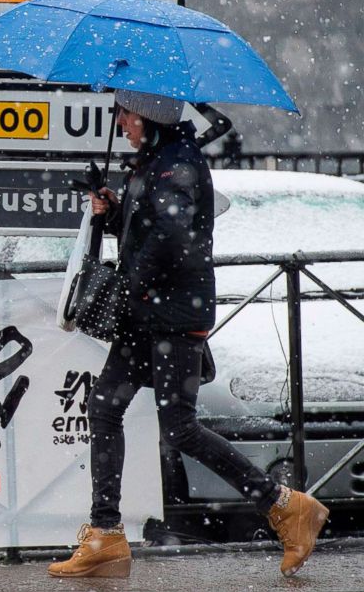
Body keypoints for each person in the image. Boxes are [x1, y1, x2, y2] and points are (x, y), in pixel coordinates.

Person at [47, 89, 329, 579]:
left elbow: (174, 237)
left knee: (178, 427)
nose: (120, 125)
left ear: (149, 116)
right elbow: (152, 230)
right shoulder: (157, 159)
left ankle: (286, 506)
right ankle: (106, 536)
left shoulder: (176, 164)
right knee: (105, 408)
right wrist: (112, 211)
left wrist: (129, 284)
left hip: (171, 318)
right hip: (147, 317)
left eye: (125, 114)